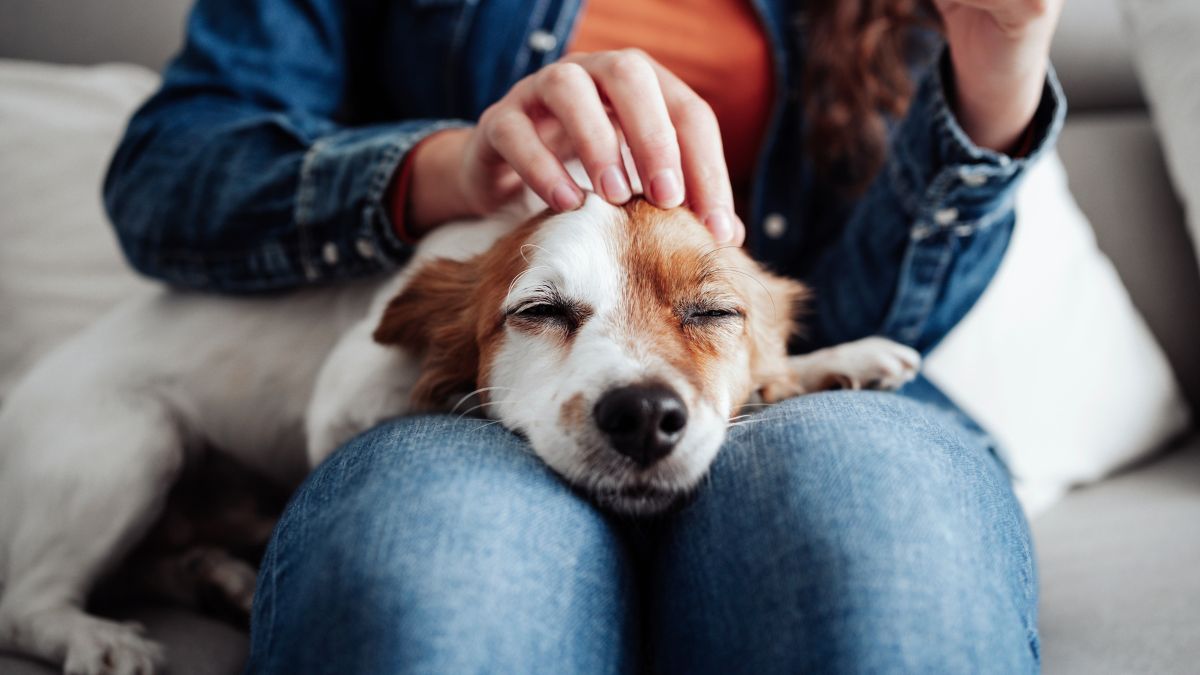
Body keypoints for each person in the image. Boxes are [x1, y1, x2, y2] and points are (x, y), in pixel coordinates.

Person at [104, 0, 1065, 671]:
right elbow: (160, 178)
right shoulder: (449, 314)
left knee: (875, 542)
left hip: (776, 389)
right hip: (477, 414)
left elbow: (865, 322)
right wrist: (447, 168)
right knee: (434, 577)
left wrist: (993, 84)